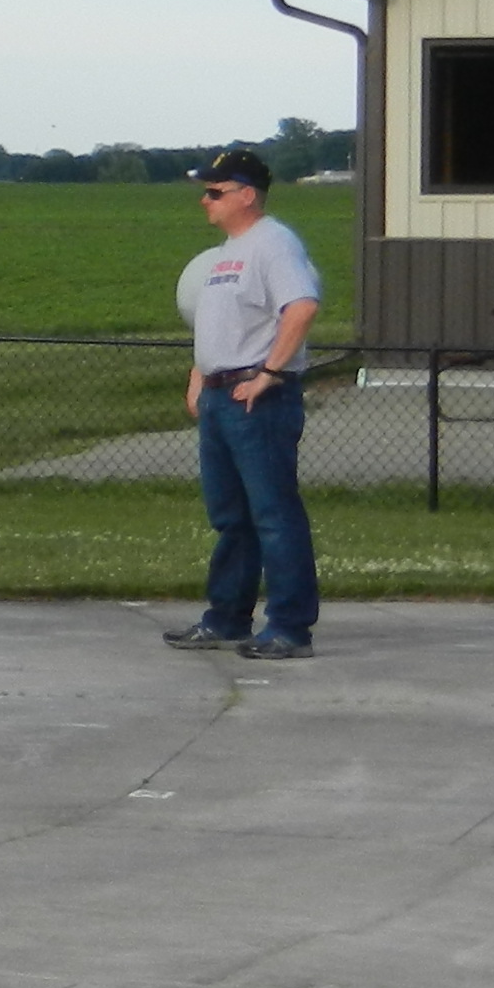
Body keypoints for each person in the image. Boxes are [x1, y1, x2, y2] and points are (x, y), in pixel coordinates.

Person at [166, 144, 324, 662]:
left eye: (215, 192)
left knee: (273, 514)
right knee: (231, 517)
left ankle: (289, 626)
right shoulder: (222, 257)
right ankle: (227, 617)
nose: (205, 202)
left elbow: (300, 307)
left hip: (258, 401)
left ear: (247, 195)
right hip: (218, 397)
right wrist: (198, 378)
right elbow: (214, 325)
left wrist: (269, 373)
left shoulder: (273, 244)